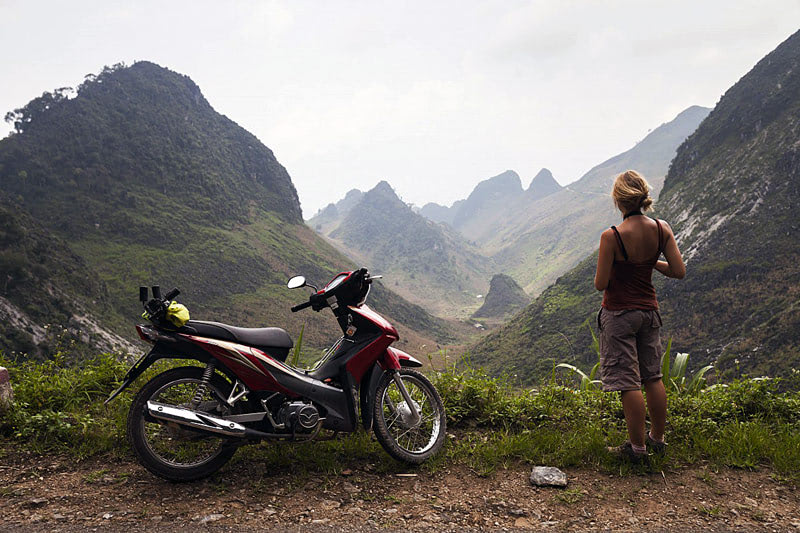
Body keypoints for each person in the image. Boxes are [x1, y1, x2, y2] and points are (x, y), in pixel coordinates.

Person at [593, 170, 685, 463]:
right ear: (644, 197)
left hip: (619, 314)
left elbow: (601, 283)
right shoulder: (661, 228)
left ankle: (637, 450)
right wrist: (650, 262)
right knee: (653, 377)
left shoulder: (612, 236)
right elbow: (678, 271)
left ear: (619, 201)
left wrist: (625, 264)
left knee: (628, 383)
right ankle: (657, 439)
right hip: (649, 312)